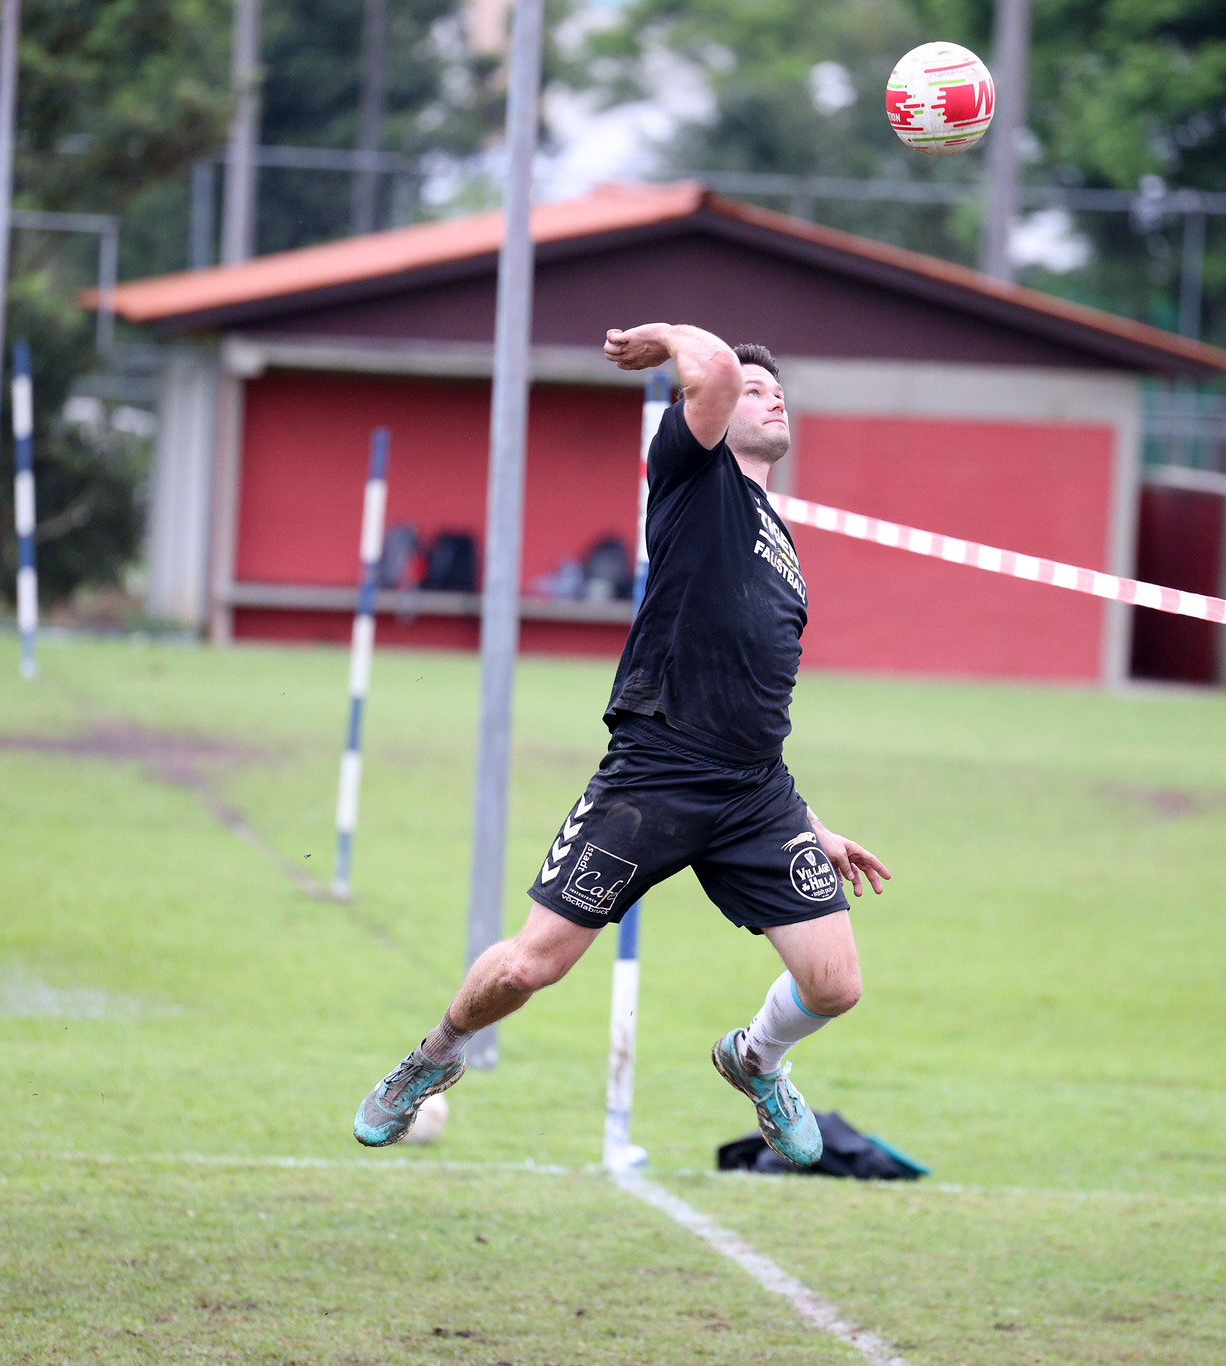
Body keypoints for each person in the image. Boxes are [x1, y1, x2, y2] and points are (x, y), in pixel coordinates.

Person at [353, 323, 891, 1166]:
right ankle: (431, 1057)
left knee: (836, 983)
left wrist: (806, 818)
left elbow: (754, 702)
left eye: (777, 390)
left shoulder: (780, 544)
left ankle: (754, 1059)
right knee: (529, 969)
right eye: (754, 390)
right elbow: (708, 367)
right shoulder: (692, 475)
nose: (770, 395)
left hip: (754, 792)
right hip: (655, 776)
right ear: (705, 411)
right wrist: (669, 337)